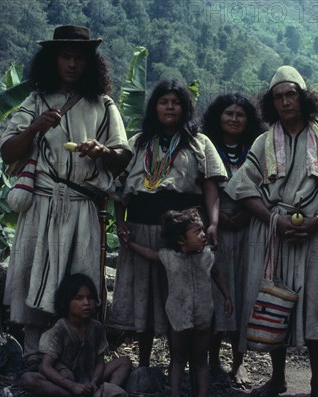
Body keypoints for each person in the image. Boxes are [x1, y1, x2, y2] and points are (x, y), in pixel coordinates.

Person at [224, 65, 318, 397]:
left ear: (303, 97)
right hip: (272, 231)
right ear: (272, 103)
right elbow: (244, 189)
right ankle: (278, 378)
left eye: (291, 95)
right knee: (273, 302)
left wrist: (317, 219)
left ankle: (316, 383)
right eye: (278, 97)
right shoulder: (263, 141)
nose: (285, 102)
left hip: (313, 232)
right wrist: (275, 220)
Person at [0, 25, 131, 362]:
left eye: (79, 58)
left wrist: (101, 151)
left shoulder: (103, 105)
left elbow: (123, 156)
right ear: (53, 61)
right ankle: (34, 354)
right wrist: (34, 127)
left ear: (90, 64)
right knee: (35, 272)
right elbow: (7, 152)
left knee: (79, 279)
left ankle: (75, 357)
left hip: (81, 206)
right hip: (42, 203)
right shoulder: (36, 101)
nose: (72, 64)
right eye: (65, 57)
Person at [107, 80, 227, 367]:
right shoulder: (137, 142)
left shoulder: (199, 143)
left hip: (181, 234)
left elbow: (211, 187)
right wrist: (119, 221)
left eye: (176, 102)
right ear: (154, 107)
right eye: (164, 101)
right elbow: (119, 188)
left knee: (181, 293)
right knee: (144, 295)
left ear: (185, 108)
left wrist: (213, 223)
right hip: (140, 225)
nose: (170, 106)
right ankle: (145, 365)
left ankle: (181, 365)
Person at [118, 208, 233, 397]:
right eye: (197, 232)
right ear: (181, 240)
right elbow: (149, 253)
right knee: (178, 359)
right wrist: (130, 244)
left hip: (203, 317)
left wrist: (227, 296)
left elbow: (217, 274)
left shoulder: (207, 256)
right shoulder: (169, 257)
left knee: (200, 359)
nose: (203, 235)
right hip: (178, 317)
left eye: (202, 230)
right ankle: (175, 393)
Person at [202, 93, 265, 386]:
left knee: (245, 291)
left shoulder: (258, 149)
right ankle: (212, 361)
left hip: (251, 227)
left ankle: (238, 363)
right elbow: (200, 186)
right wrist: (218, 218)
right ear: (218, 116)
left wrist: (248, 212)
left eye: (240, 114)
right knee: (217, 293)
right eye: (229, 113)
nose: (234, 119)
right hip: (215, 227)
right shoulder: (205, 146)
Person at [19, 274, 131, 397]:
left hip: (89, 377)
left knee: (124, 362)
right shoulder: (60, 329)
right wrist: (72, 386)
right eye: (79, 298)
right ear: (64, 303)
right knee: (28, 379)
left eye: (90, 297)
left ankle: (105, 392)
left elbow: (100, 362)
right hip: (64, 380)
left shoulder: (97, 327)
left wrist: (94, 381)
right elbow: (46, 367)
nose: (86, 303)